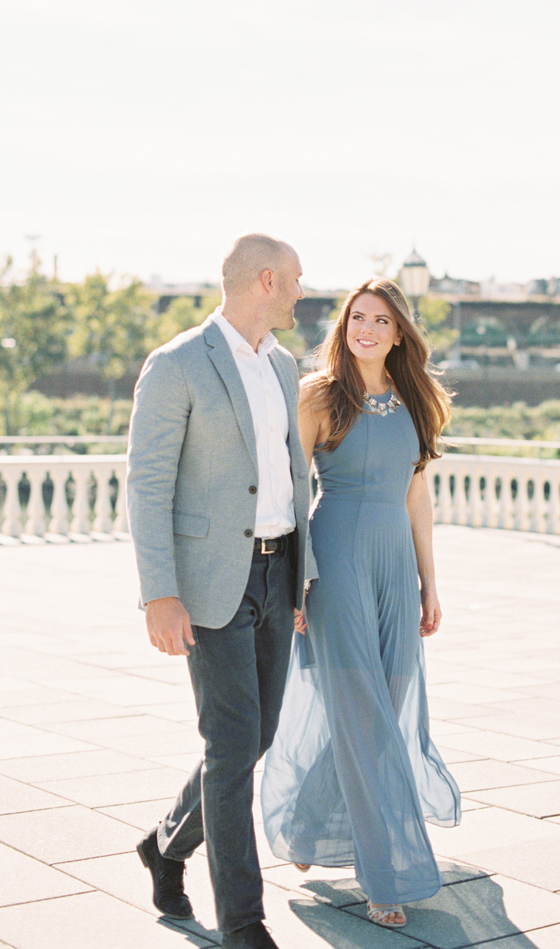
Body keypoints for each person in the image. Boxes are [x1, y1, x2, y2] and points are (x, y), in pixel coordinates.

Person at [127, 234, 317, 949]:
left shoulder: (282, 364)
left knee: (254, 734)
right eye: (296, 279)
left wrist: (300, 576)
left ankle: (165, 844)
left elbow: (293, 480)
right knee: (232, 740)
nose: (304, 290)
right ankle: (242, 920)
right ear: (266, 280)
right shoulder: (177, 363)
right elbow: (146, 484)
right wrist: (159, 593)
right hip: (209, 584)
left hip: (276, 571)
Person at [261, 277, 460, 929]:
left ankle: (304, 819)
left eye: (380, 319)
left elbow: (418, 497)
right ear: (344, 326)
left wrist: (430, 581)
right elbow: (288, 492)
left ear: (400, 332)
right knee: (367, 716)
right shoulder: (318, 393)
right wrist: (295, 579)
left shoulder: (418, 398)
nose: (366, 328)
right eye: (357, 317)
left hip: (395, 564)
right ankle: (384, 876)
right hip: (336, 559)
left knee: (388, 701)